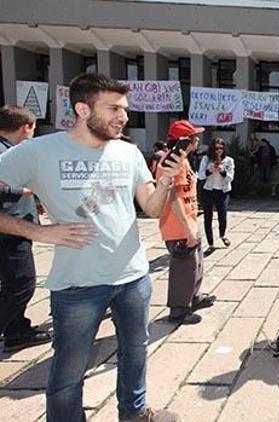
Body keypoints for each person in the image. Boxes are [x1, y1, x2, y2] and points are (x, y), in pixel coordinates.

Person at [0, 73, 182, 421]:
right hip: (77, 286)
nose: (124, 117)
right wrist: (35, 231)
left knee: (136, 353)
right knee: (69, 372)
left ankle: (135, 414)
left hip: (133, 278)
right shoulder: (39, 151)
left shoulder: (128, 152)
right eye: (113, 108)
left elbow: (152, 207)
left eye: (125, 109)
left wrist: (165, 183)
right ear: (82, 109)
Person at [0, 105, 51, 352]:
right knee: (22, 283)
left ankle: (16, 330)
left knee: (12, 282)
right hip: (8, 231)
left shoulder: (10, 150)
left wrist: (34, 202)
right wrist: (30, 190)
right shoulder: (3, 153)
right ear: (25, 127)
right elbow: (5, 187)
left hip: (16, 227)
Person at [157, 120, 216, 325]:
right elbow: (172, 197)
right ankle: (179, 310)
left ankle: (194, 297)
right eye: (194, 137)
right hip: (178, 225)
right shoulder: (172, 162)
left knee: (196, 264)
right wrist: (187, 227)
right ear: (184, 140)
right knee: (183, 267)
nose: (197, 140)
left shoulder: (183, 159)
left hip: (189, 221)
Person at [198, 137, 234, 251]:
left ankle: (222, 235)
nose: (218, 151)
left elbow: (230, 178)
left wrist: (222, 171)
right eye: (216, 148)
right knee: (208, 217)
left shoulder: (228, 160)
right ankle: (210, 243)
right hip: (208, 190)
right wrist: (210, 170)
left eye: (221, 148)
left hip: (222, 191)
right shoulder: (206, 159)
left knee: (222, 216)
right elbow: (200, 175)